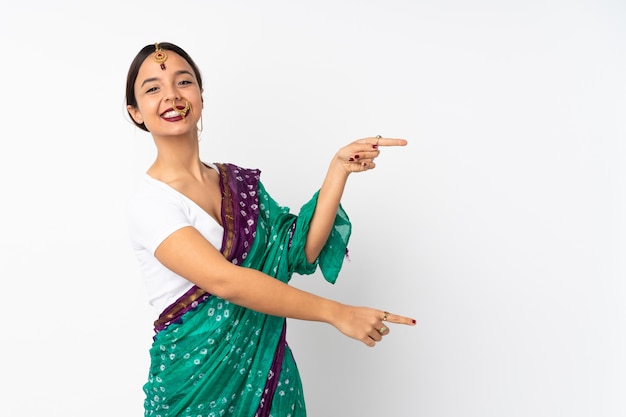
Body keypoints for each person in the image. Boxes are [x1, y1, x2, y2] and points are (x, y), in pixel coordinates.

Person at [125, 42, 416, 417]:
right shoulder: (151, 203)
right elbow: (227, 282)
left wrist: (337, 171)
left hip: (268, 378)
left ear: (199, 95)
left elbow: (300, 251)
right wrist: (337, 313)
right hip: (194, 388)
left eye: (184, 81)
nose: (172, 95)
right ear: (136, 113)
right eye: (152, 88)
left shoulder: (239, 185)